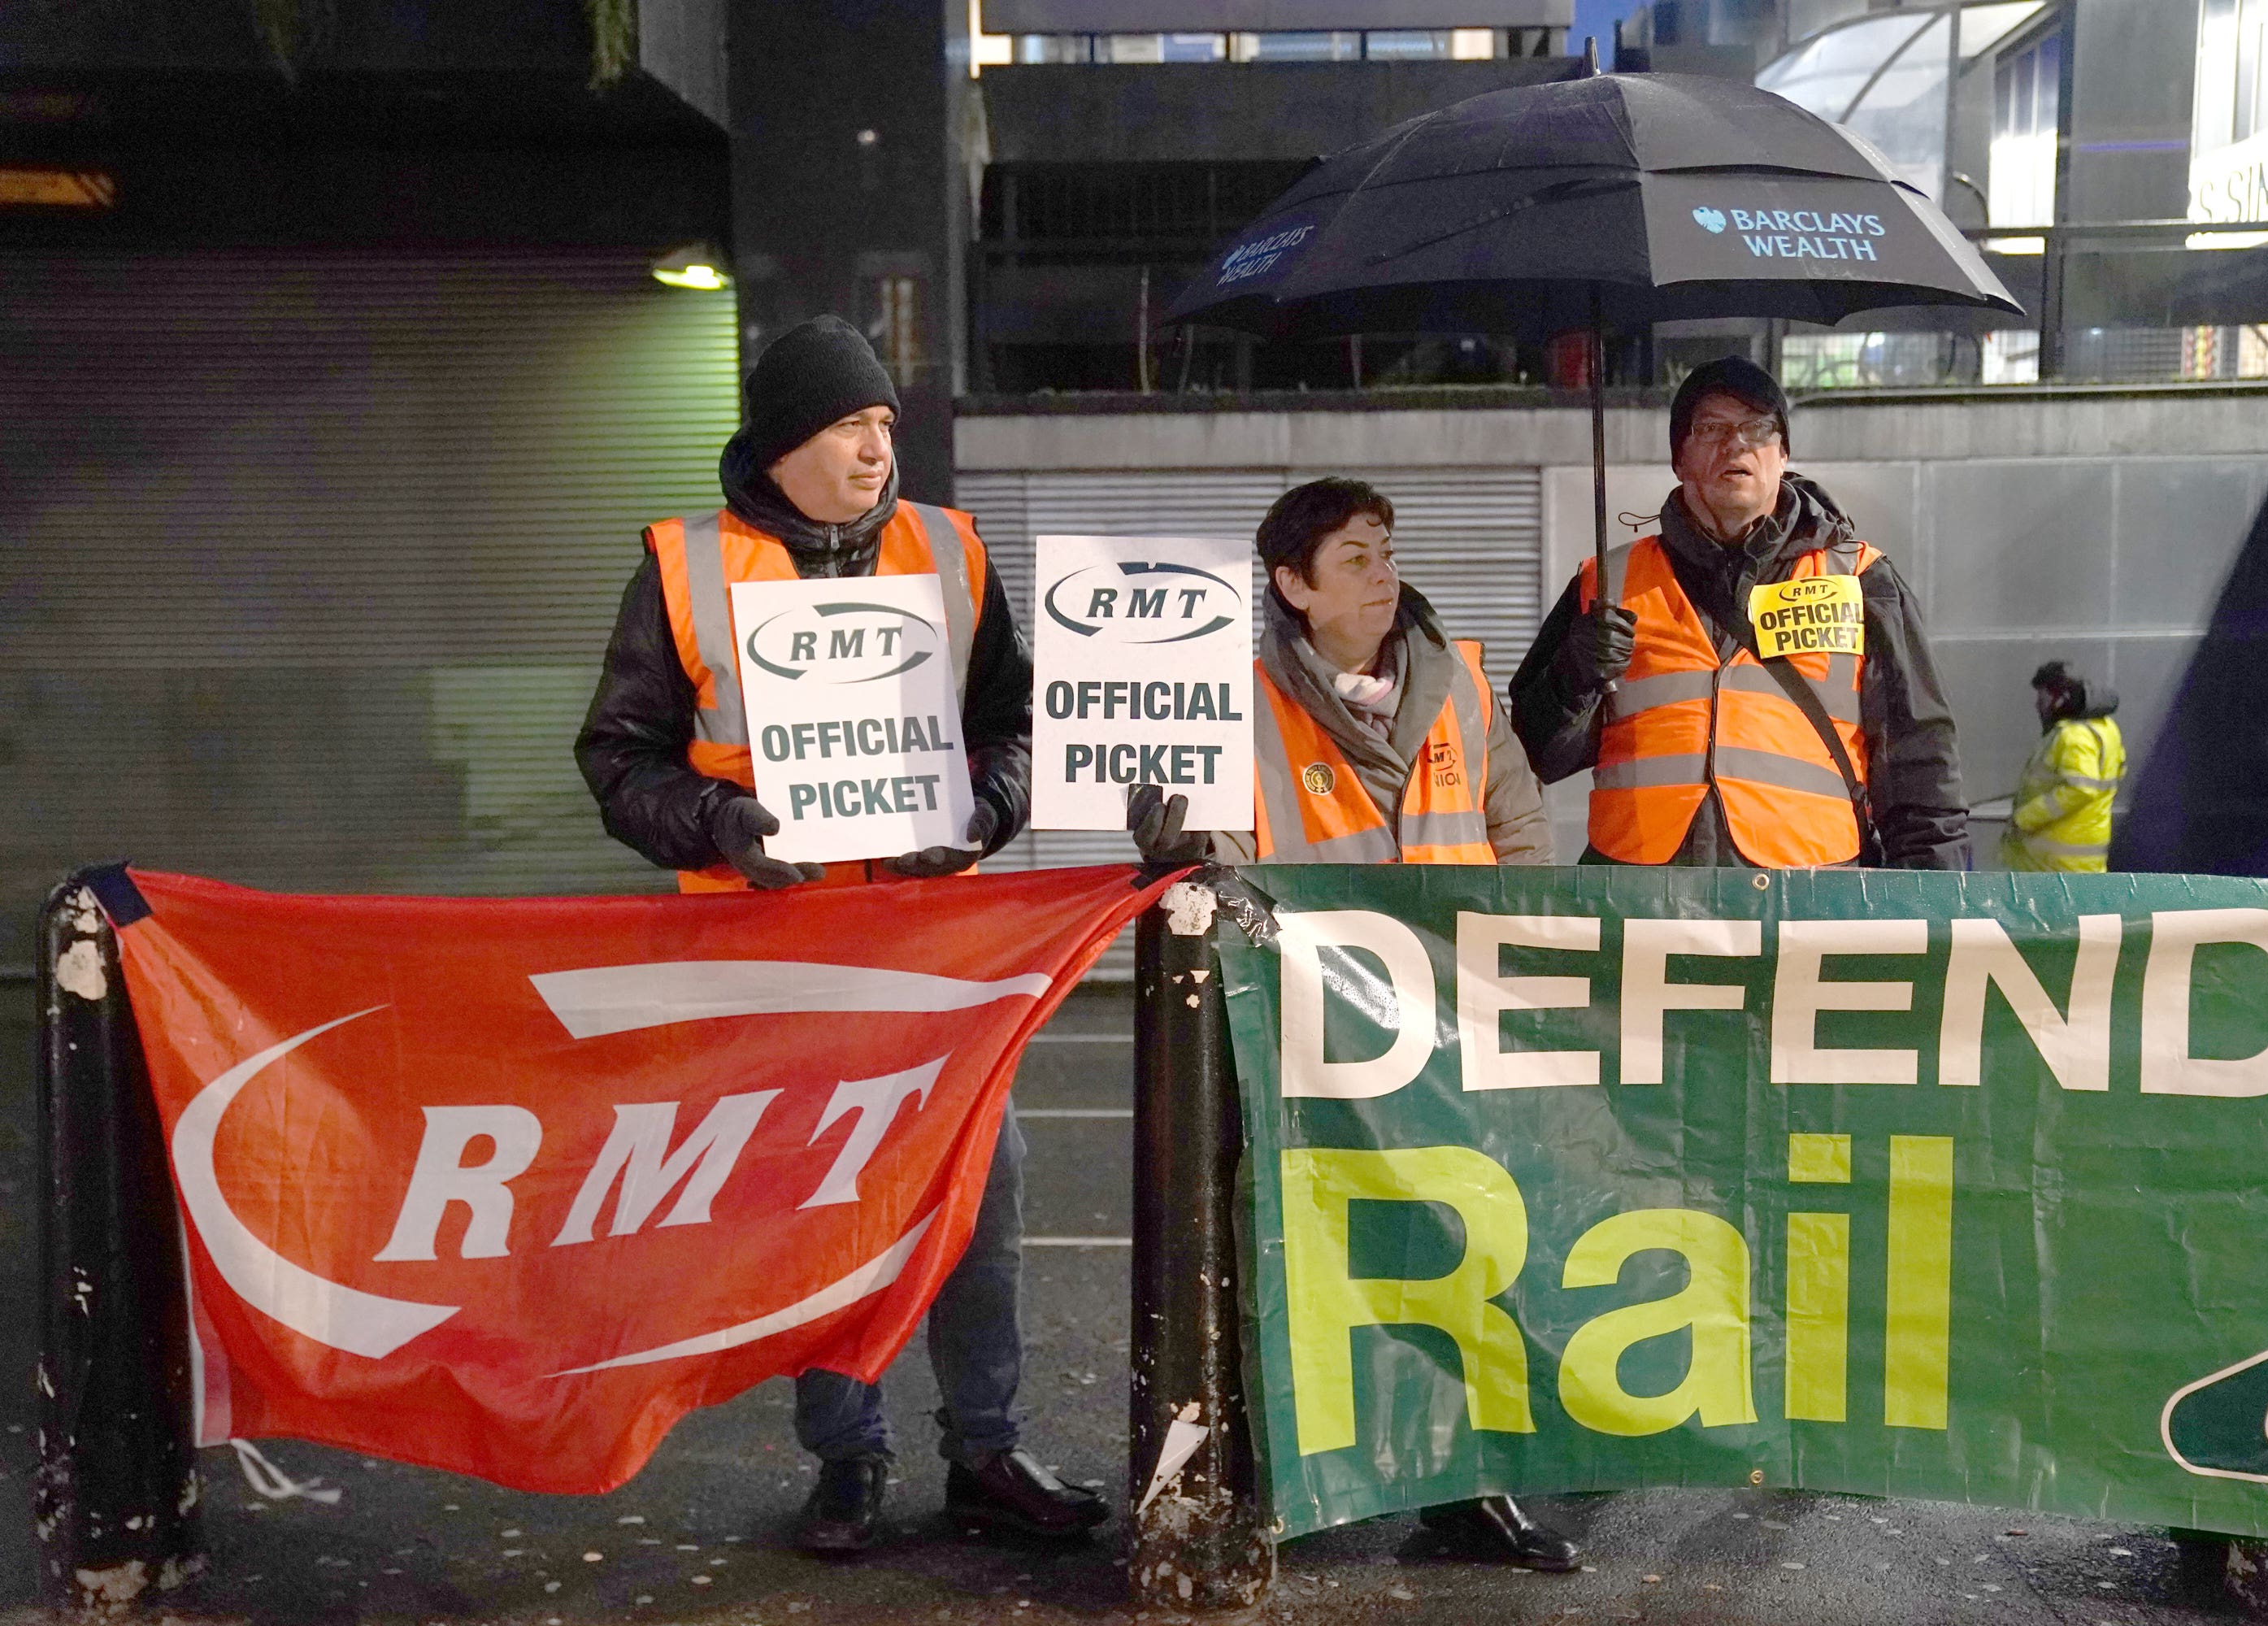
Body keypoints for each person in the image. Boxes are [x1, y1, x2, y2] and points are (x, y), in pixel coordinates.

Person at [574, 316, 1104, 1555]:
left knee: (983, 1197)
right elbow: (617, 760)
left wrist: (985, 810)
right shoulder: (680, 567)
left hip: (938, 955)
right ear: (782, 440)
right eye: (851, 426)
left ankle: (985, 1446)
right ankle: (848, 1458)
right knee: (820, 1207)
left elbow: (1016, 724)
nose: (878, 448)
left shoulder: (950, 551)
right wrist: (718, 823)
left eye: (884, 426)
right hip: (778, 956)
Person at [1131, 477, 1575, 1572]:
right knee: (1304, 1256)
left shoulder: (1461, 681)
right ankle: (1296, 1477)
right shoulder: (1231, 701)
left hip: (1457, 1016)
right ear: (1292, 586)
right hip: (1311, 1025)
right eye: (1355, 560)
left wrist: (1522, 974)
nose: (1383, 577)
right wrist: (1170, 827)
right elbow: (1217, 862)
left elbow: (1518, 831)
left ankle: (1471, 1485)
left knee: (1472, 1248)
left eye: (1386, 552)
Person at [1507, 355, 1968, 870]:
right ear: (1679, 459)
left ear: (1782, 452)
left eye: (1758, 428)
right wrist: (1573, 674)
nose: (1737, 444)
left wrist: (1932, 905)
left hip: (1809, 906)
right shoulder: (1607, 583)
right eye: (1711, 429)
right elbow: (1536, 755)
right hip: (1639, 909)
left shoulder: (1861, 579)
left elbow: (1921, 761)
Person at [1997, 659, 2124, 872]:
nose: (2038, 704)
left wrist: (2024, 819)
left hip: (2055, 863)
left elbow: (2080, 789)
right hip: (2080, 858)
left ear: (2059, 698)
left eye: (2043, 697)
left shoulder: (2073, 736)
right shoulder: (2105, 728)